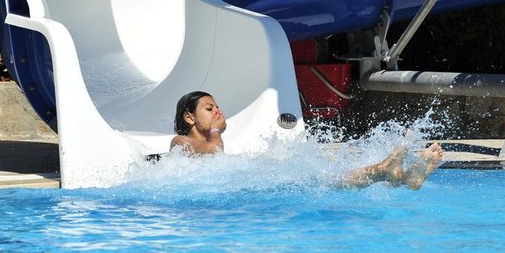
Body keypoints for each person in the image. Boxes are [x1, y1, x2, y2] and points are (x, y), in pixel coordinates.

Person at [170, 91, 444, 190]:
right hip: (243, 184)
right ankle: (386, 171)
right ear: (190, 117)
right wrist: (216, 132)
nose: (217, 112)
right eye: (209, 108)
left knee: (326, 177)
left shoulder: (210, 142)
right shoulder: (179, 143)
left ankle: (405, 176)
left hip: (246, 179)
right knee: (325, 181)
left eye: (218, 107)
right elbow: (213, 152)